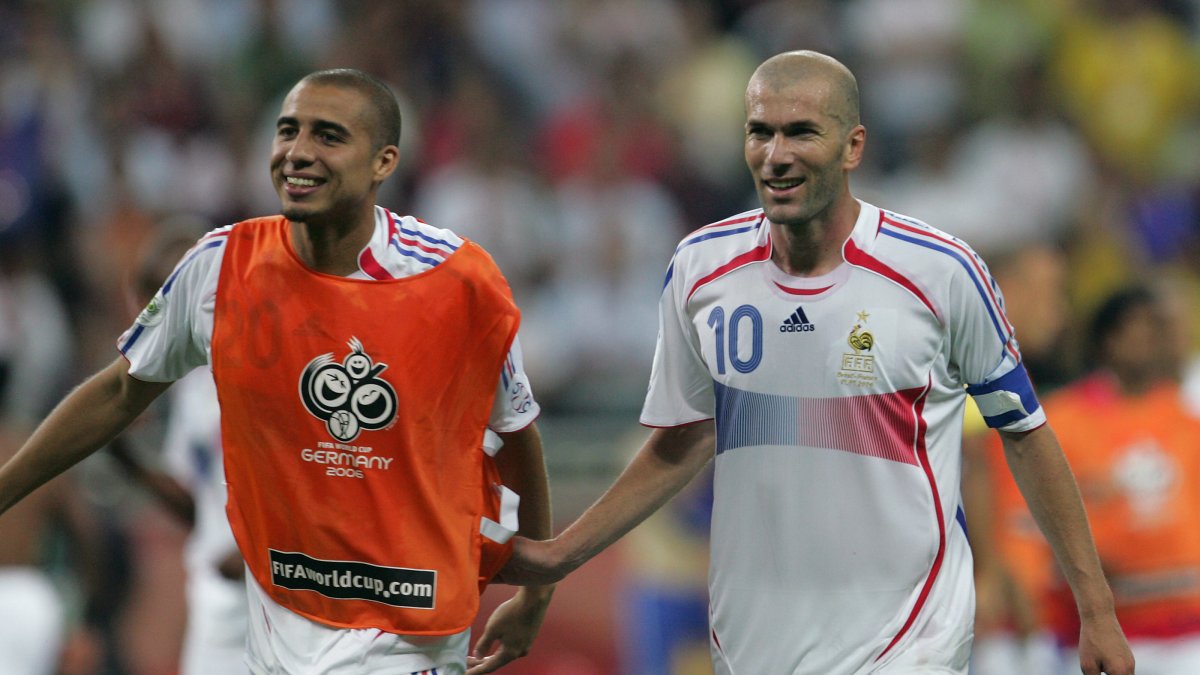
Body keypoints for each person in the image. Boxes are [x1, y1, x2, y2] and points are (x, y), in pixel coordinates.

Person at [498, 50, 1134, 675]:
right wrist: (560, 556)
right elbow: (684, 438)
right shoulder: (700, 270)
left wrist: (1096, 609)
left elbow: (1023, 432)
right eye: (760, 132)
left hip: (911, 642)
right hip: (751, 644)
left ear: (853, 147)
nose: (776, 154)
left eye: (801, 132)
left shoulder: (941, 271)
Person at [0, 68, 554, 675]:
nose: (298, 151)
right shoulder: (222, 268)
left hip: (404, 630)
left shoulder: (456, 281)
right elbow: (118, 391)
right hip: (273, 626)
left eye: (328, 136)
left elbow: (517, 439)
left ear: (384, 162)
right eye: (288, 131)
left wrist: (537, 593)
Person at [983, 285, 1200, 674]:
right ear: (1109, 340)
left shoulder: (1185, 417)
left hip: (1187, 629)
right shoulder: (1061, 422)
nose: (1156, 342)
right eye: (1142, 330)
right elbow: (1022, 527)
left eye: (1159, 331)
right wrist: (1031, 619)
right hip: (1094, 630)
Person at [105, 217, 249, 675]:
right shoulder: (192, 384)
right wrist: (124, 456)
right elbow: (196, 505)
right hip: (219, 594)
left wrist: (256, 550)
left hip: (281, 579)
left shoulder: (263, 362)